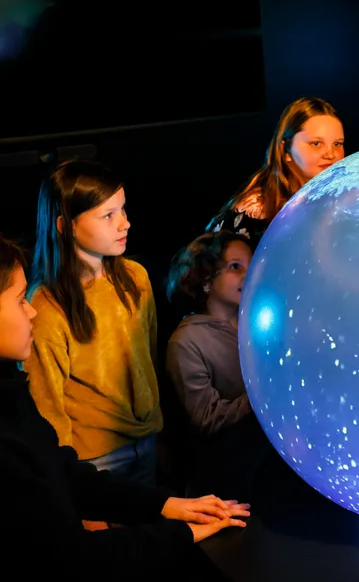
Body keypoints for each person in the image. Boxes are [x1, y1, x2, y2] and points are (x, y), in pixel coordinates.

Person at [0, 233, 249, 579]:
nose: (31, 310)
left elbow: (63, 472)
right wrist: (181, 533)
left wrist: (165, 504)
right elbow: (70, 554)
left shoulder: (12, 395)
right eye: (18, 300)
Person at [24, 159, 163, 487]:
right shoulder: (46, 306)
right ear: (65, 225)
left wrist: (158, 429)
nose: (125, 223)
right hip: (93, 459)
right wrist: (66, 473)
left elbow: (150, 357)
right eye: (108, 215)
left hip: (146, 439)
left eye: (123, 209)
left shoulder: (136, 277)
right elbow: (46, 403)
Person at [166, 230, 271, 499]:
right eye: (235, 267)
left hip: (271, 467)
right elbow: (206, 418)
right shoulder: (187, 341)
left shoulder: (258, 322)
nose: (249, 275)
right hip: (227, 480)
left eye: (252, 266)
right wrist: (265, 395)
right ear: (205, 278)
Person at [207, 97, 346, 245]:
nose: (331, 154)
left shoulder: (341, 196)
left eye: (337, 144)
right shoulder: (255, 213)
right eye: (316, 143)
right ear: (286, 150)